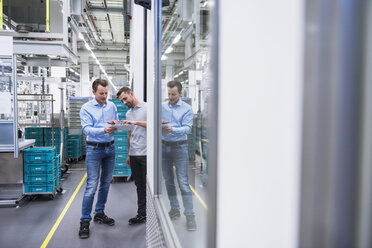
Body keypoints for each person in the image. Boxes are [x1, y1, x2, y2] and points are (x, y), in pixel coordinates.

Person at [78, 79, 118, 239]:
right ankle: (84, 220)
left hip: (111, 148)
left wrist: (116, 123)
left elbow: (117, 122)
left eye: (106, 93)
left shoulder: (112, 106)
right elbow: (86, 129)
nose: (104, 96)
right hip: (94, 149)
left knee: (106, 183)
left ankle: (99, 213)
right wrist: (103, 129)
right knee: (92, 185)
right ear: (93, 92)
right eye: (101, 93)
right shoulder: (86, 108)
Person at [161, 80, 197, 231]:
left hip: (180, 148)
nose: (170, 97)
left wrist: (172, 130)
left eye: (173, 94)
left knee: (182, 182)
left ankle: (190, 215)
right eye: (169, 94)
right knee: (168, 181)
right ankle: (174, 209)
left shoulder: (187, 109)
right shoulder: (162, 107)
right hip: (164, 148)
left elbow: (188, 129)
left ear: (180, 93)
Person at [110, 86, 147, 225]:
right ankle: (142, 214)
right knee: (139, 185)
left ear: (131, 93)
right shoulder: (128, 113)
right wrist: (128, 154)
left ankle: (152, 213)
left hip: (146, 153)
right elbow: (129, 134)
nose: (124, 103)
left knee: (148, 186)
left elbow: (154, 125)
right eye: (122, 101)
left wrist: (136, 122)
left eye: (125, 99)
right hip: (134, 154)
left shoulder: (147, 108)